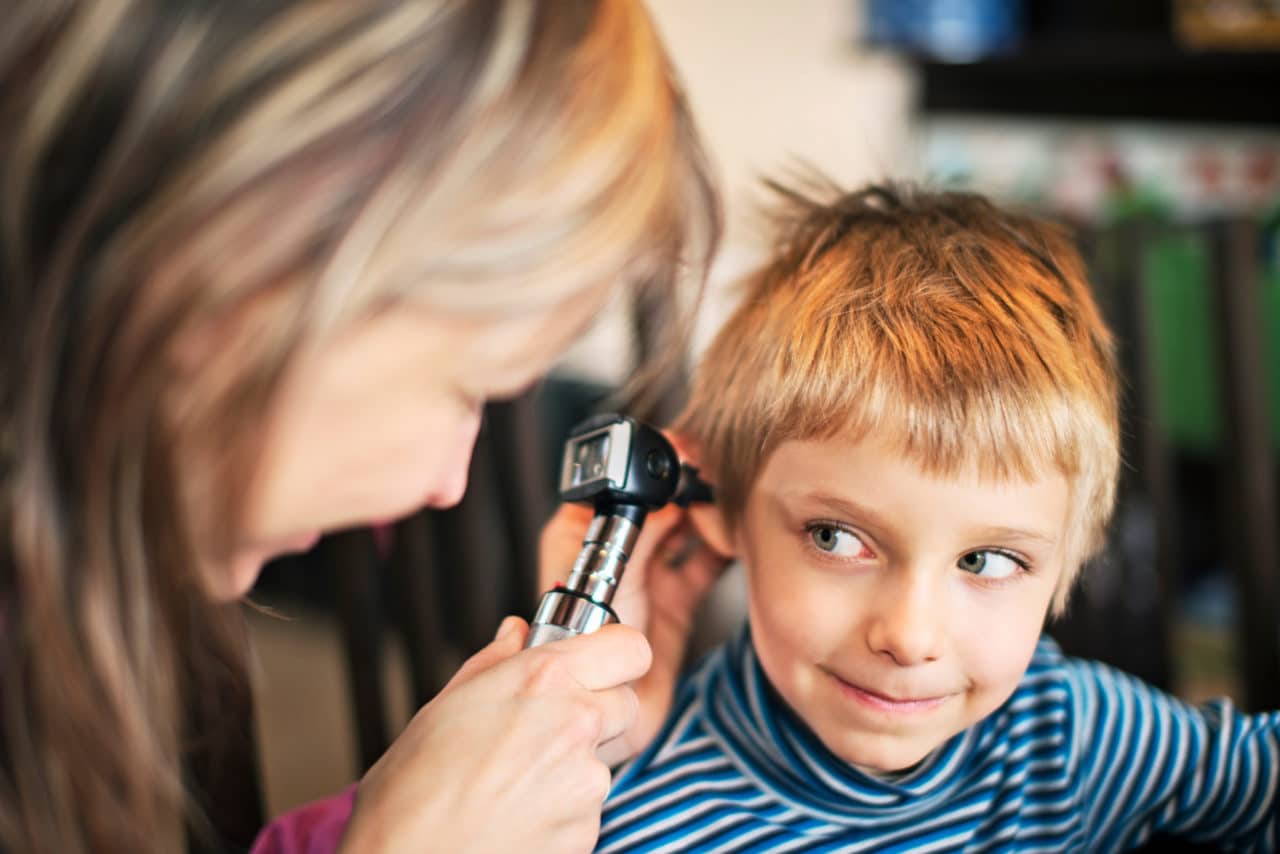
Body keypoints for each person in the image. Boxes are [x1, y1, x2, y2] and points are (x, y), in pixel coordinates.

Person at [0, 2, 726, 852]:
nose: (447, 483)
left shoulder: (99, 584)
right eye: (469, 390)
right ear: (245, 264)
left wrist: (413, 810)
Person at [593, 180, 1280, 851]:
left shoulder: (1068, 734)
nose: (910, 636)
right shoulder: (627, 807)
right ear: (725, 506)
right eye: (836, 538)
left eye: (986, 561)